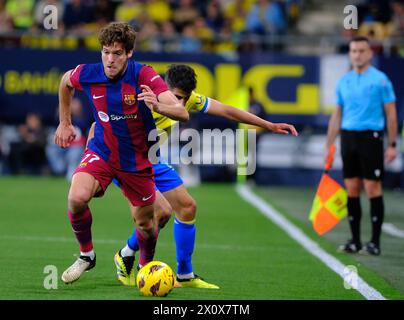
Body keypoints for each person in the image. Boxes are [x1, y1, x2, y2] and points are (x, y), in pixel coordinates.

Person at [101, 64, 298, 288]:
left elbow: (227, 110)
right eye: (175, 97)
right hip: (125, 162)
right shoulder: (140, 95)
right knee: (160, 211)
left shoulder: (185, 101)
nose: (180, 104)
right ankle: (142, 267)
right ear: (162, 87)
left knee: (187, 207)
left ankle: (180, 272)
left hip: (152, 161)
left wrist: (268, 125)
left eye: (184, 99)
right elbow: (101, 122)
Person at [54, 22, 188, 284]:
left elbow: (182, 112)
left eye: (116, 53)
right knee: (76, 197)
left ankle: (145, 266)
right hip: (102, 152)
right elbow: (65, 82)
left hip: (136, 162)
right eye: (105, 52)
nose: (110, 59)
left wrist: (157, 105)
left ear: (129, 53)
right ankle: (86, 255)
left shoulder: (144, 76)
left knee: (147, 226)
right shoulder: (90, 73)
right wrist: (65, 122)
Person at [325, 36, 397, 256]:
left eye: (361, 51)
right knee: (352, 188)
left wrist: (392, 143)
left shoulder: (381, 80)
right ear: (350, 53)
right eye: (354, 51)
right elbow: (337, 115)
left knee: (373, 187)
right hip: (348, 137)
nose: (357, 54)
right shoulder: (343, 81)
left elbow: (391, 113)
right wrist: (330, 145)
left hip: (371, 137)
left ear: (369, 53)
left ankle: (374, 242)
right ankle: (355, 240)